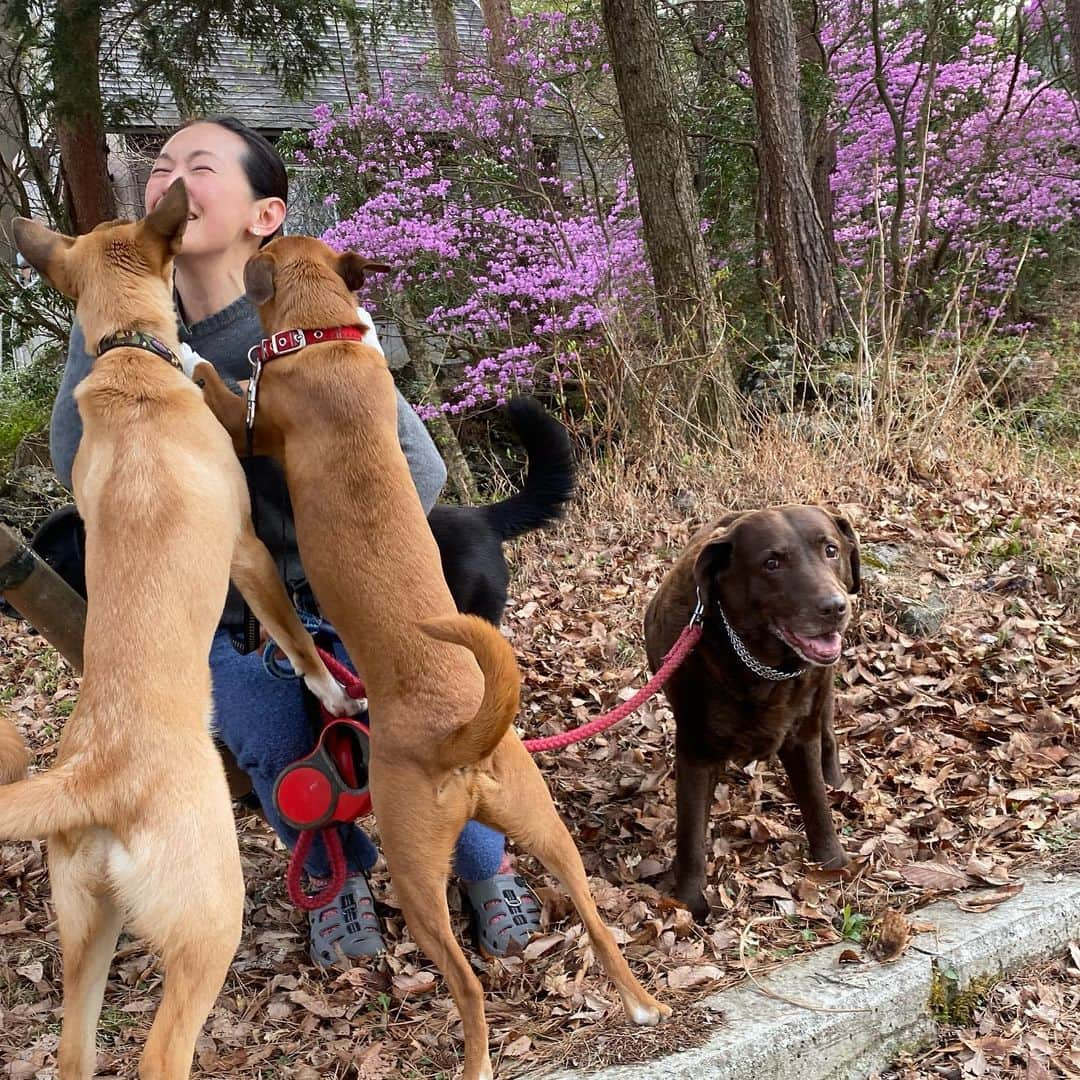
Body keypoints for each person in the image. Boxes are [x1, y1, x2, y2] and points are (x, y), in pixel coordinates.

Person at [48, 116, 541, 967]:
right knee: (265, 726)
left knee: (428, 710)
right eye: (160, 165)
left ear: (263, 216)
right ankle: (334, 874)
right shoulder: (115, 303)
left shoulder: (306, 306)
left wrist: (301, 488)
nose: (168, 180)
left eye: (199, 167)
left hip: (347, 583)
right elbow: (69, 455)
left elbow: (420, 474)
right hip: (229, 601)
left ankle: (481, 863)